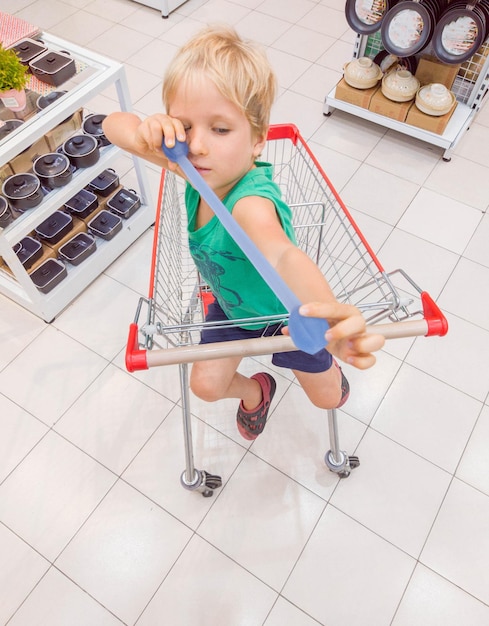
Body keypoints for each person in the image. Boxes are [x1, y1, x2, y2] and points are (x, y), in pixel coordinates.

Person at [103, 25, 385, 440]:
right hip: (233, 308)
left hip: (288, 318)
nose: (197, 144)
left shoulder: (250, 201)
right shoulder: (190, 167)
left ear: (257, 139)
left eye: (220, 129)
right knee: (205, 386)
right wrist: (147, 129)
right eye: (185, 125)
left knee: (328, 398)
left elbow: (281, 252)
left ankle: (330, 370)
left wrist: (326, 313)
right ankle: (257, 390)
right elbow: (113, 124)